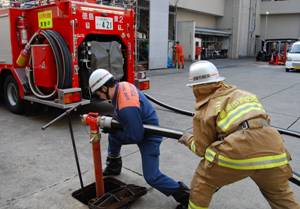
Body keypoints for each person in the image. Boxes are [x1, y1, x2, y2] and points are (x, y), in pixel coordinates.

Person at [178, 61, 300, 209]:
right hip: (274, 151)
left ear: (196, 87)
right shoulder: (246, 95)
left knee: (202, 182)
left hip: (238, 153)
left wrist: (187, 139)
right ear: (218, 80)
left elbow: (201, 149)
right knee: (282, 197)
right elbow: (263, 120)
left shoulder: (205, 110)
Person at [89, 69, 190, 209]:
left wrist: (116, 132)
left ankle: (186, 196)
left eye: (98, 94)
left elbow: (135, 136)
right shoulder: (121, 86)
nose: (100, 97)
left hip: (149, 135)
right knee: (113, 136)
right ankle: (114, 165)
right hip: (139, 123)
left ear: (105, 88)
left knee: (151, 176)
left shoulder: (126, 107)